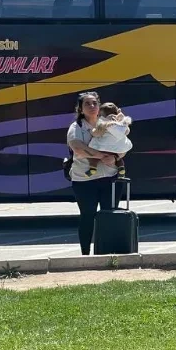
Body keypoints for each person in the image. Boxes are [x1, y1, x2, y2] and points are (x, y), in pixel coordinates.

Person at [67, 91, 123, 256]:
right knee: (87, 216)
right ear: (80, 108)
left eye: (94, 103)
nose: (92, 106)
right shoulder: (76, 127)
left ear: (99, 106)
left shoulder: (108, 123)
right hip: (84, 180)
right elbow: (77, 148)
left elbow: (123, 144)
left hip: (110, 177)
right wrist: (99, 155)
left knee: (109, 216)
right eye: (87, 104)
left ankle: (107, 254)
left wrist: (115, 158)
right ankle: (85, 254)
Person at [86, 102, 132, 178]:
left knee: (92, 156)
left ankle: (93, 168)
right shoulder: (121, 122)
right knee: (118, 157)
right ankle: (121, 168)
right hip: (118, 149)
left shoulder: (102, 122)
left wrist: (91, 131)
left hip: (102, 148)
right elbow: (127, 132)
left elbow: (96, 133)